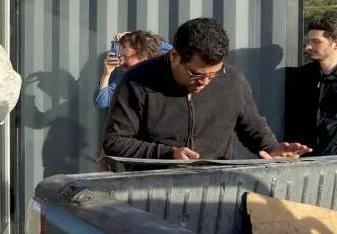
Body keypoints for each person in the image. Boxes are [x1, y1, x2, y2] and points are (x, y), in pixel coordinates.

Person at [102, 17, 310, 167]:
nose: (205, 82)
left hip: (215, 186)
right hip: (153, 189)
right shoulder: (137, 81)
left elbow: (252, 126)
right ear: (174, 56)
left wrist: (272, 148)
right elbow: (116, 142)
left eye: (214, 74)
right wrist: (168, 154)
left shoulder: (232, 80)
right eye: (196, 74)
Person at [286, 13, 337, 156]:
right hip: (306, 161)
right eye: (308, 41)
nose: (308, 47)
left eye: (316, 42)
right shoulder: (302, 76)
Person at [94, 30, 172, 109]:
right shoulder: (125, 75)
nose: (121, 63)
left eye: (125, 57)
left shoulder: (162, 70)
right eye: (120, 57)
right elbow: (101, 102)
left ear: (143, 56)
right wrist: (106, 74)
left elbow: (172, 52)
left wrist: (139, 38)